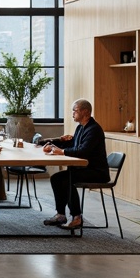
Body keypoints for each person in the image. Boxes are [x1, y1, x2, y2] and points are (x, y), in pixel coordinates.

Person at [42, 98, 110, 230]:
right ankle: (61, 215)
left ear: (85, 112)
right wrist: (52, 146)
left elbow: (83, 151)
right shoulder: (81, 127)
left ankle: (77, 217)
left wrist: (61, 152)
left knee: (68, 179)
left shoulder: (94, 129)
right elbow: (73, 145)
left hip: (97, 172)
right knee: (56, 178)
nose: (72, 113)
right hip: (83, 169)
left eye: (75, 111)